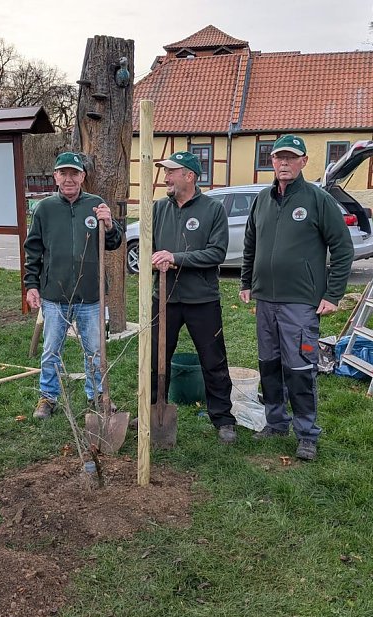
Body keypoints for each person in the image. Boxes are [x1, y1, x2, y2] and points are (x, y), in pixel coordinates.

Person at [240, 134, 354, 461]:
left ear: (304, 161)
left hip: (301, 303)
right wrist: (247, 282)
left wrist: (332, 294)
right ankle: (276, 422)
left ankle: (307, 433)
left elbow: (343, 248)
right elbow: (251, 244)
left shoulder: (317, 200)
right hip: (265, 302)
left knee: (301, 368)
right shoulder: (262, 200)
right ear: (272, 162)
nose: (284, 163)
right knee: (269, 365)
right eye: (279, 158)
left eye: (291, 158)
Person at [23, 152, 123, 419]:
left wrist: (110, 224)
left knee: (94, 350)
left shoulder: (95, 205)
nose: (68, 179)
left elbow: (114, 242)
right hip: (55, 295)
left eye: (74, 173)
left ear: (82, 176)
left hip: (91, 295)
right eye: (63, 173)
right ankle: (48, 397)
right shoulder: (44, 209)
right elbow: (33, 250)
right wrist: (31, 285)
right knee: (51, 349)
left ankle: (98, 396)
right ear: (55, 176)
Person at [150, 151, 238, 444]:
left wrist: (175, 257)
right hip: (164, 298)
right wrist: (155, 259)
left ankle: (223, 418)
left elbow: (217, 253)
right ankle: (152, 410)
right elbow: (148, 246)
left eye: (171, 172)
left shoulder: (212, 209)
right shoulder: (159, 209)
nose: (166, 177)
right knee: (155, 359)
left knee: (213, 360)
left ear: (189, 176)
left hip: (202, 299)